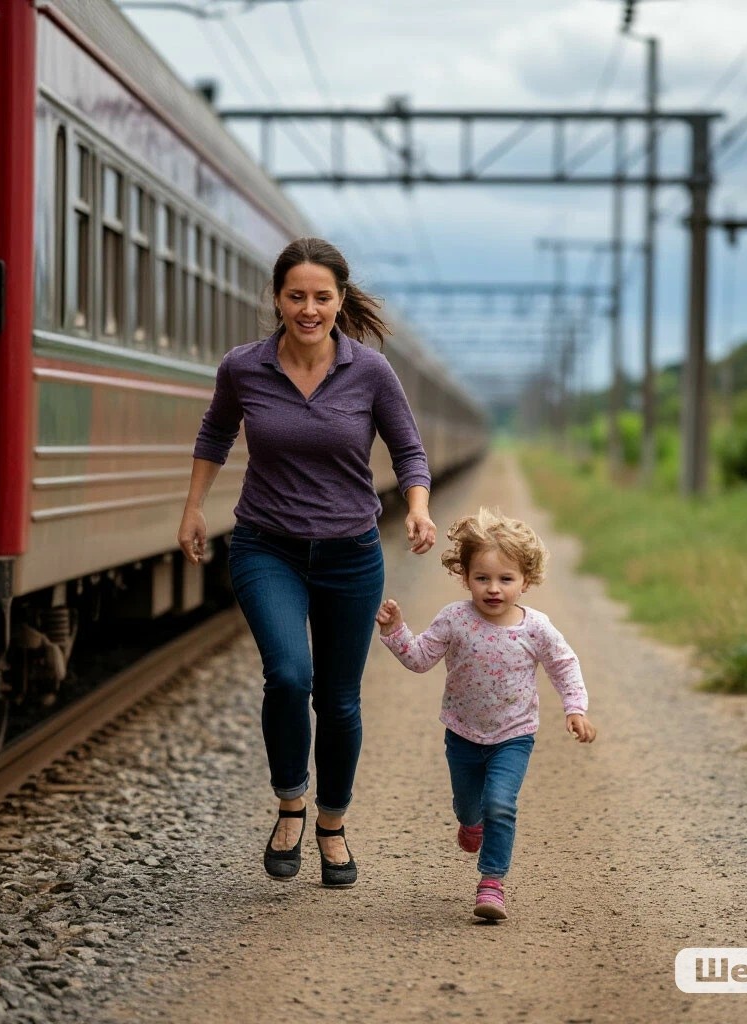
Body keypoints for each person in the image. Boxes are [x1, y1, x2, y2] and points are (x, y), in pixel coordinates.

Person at [178, 237, 436, 889]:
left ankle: (332, 824)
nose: (309, 308)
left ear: (340, 300)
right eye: (297, 296)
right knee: (289, 677)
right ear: (277, 298)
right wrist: (194, 507)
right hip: (267, 546)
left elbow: (409, 451)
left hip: (351, 553)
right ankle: (291, 806)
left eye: (322, 297)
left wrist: (419, 508)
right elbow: (215, 432)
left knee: (340, 699)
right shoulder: (243, 367)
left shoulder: (371, 372)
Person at [376, 507, 596, 921]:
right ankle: (469, 822)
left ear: (525, 581)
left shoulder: (536, 629)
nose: (493, 589)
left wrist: (575, 708)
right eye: (483, 578)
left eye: (506, 579)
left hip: (513, 736)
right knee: (468, 807)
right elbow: (421, 659)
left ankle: (492, 883)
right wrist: (396, 632)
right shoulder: (455, 619)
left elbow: (564, 664)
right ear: (466, 578)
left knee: (500, 804)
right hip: (462, 734)